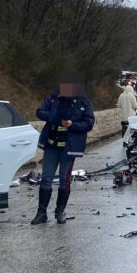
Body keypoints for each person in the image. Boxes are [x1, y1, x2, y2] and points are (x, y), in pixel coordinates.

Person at [33, 79, 96, 225]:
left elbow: (89, 122)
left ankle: (60, 212)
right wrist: (56, 119)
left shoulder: (82, 100)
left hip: (69, 148)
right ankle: (41, 213)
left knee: (64, 180)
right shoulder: (54, 96)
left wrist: (73, 125)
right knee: (46, 178)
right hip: (51, 146)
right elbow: (40, 112)